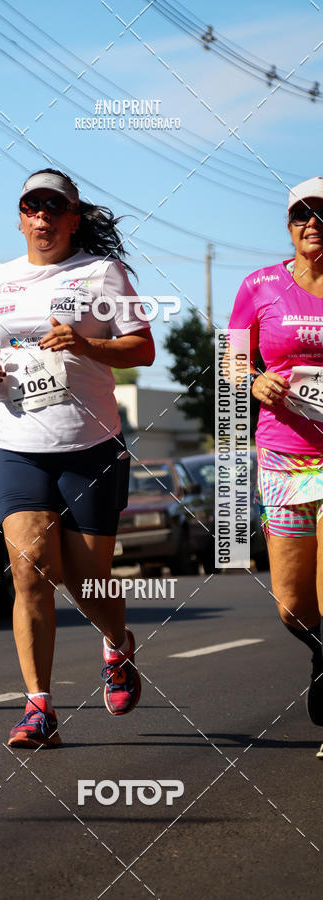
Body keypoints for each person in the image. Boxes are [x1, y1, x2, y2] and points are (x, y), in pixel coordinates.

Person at [0, 169, 155, 748]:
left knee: (88, 581)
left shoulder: (102, 274)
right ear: (21, 216)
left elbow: (142, 348)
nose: (42, 215)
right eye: (32, 205)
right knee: (30, 573)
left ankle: (116, 646)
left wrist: (84, 343)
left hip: (89, 446)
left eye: (55, 206)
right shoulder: (0, 278)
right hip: (19, 447)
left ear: (74, 217)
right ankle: (39, 709)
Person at [228, 176, 323, 753]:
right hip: (284, 454)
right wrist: (255, 379)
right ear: (288, 226)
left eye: (322, 214)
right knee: (292, 605)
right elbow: (234, 361)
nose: (312, 224)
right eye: (301, 215)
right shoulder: (259, 284)